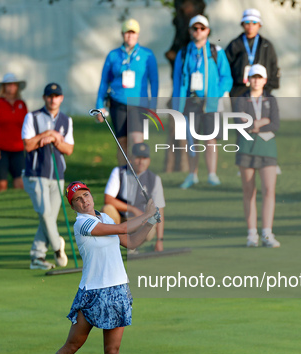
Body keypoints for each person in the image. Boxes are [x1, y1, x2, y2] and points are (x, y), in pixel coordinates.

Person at [47, 181, 159, 354]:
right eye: (77, 200)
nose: (84, 202)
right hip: (92, 293)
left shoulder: (104, 217)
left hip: (117, 290)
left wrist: (151, 221)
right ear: (73, 207)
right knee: (72, 345)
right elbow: (123, 226)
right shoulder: (82, 224)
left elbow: (131, 242)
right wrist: (146, 214)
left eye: (86, 196)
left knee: (112, 351)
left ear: (91, 196)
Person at [173, 14, 233, 189]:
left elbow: (226, 77)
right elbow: (178, 80)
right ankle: (192, 175)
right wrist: (178, 105)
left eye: (202, 28)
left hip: (210, 102)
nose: (198, 31)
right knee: (193, 140)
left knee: (210, 138)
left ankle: (212, 174)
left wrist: (216, 93)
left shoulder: (216, 51)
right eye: (195, 28)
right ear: (191, 31)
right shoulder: (184, 53)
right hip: (190, 101)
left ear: (207, 31)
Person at [22, 83, 74, 270]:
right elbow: (28, 145)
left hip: (58, 175)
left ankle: (37, 256)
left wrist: (54, 139)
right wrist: (48, 134)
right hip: (36, 174)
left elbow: (69, 149)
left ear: (61, 98)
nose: (53, 99)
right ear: (44, 98)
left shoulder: (66, 121)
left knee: (49, 217)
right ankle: (57, 245)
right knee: (45, 214)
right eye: (50, 96)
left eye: (56, 96)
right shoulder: (32, 117)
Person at [95, 18, 159, 164]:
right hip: (118, 102)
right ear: (122, 34)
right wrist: (100, 104)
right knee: (122, 142)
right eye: (127, 33)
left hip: (139, 104)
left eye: (133, 33)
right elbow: (105, 81)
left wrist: (153, 103)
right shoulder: (113, 55)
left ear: (137, 35)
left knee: (137, 141)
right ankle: (123, 176)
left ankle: (139, 176)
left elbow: (154, 81)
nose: (130, 36)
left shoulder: (147, 55)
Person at [234, 65, 281, 248]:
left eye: (259, 77)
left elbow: (275, 123)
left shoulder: (271, 99)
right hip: (246, 147)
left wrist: (255, 124)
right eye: (253, 77)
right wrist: (261, 122)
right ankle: (251, 233)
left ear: (265, 80)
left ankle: (267, 233)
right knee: (249, 191)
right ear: (249, 79)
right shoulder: (241, 100)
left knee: (269, 190)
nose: (256, 80)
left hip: (267, 147)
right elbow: (239, 122)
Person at [102, 143, 165, 252]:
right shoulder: (119, 172)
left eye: (144, 158)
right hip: (120, 219)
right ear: (131, 158)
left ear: (149, 160)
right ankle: (112, 246)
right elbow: (108, 199)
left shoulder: (155, 179)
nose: (141, 162)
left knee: (151, 225)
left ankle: (132, 246)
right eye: (138, 158)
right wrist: (133, 209)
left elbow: (159, 210)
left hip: (139, 221)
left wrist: (159, 240)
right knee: (108, 209)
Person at [0, 73, 28, 192]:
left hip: (18, 149)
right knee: (1, 184)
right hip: (0, 150)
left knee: (20, 183)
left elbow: (27, 127)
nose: (11, 87)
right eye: (8, 85)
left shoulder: (21, 105)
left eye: (14, 85)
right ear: (4, 87)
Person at [225, 8, 280, 99]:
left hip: (261, 89)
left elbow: (273, 67)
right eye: (247, 22)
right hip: (238, 90)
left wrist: (268, 88)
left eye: (254, 23)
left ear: (259, 25)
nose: (250, 26)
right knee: (240, 113)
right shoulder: (235, 44)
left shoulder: (266, 45)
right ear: (242, 24)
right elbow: (225, 67)